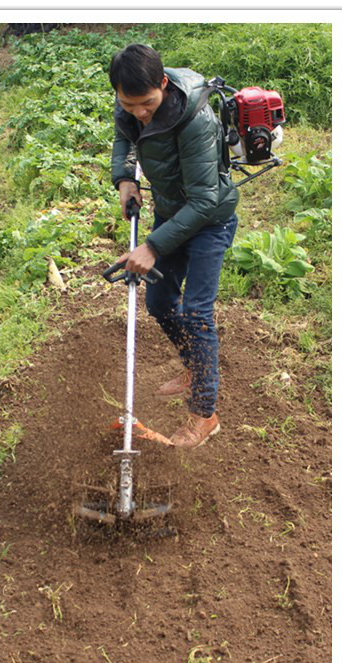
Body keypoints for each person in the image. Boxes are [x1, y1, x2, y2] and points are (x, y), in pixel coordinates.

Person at [109, 44, 240, 449]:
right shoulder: (129, 104)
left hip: (209, 220)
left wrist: (150, 246)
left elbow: (205, 201)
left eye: (146, 103)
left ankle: (205, 414)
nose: (140, 112)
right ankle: (193, 366)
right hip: (171, 214)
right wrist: (125, 177)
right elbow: (123, 136)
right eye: (130, 104)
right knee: (159, 301)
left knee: (198, 314)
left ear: (163, 84)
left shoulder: (196, 120)